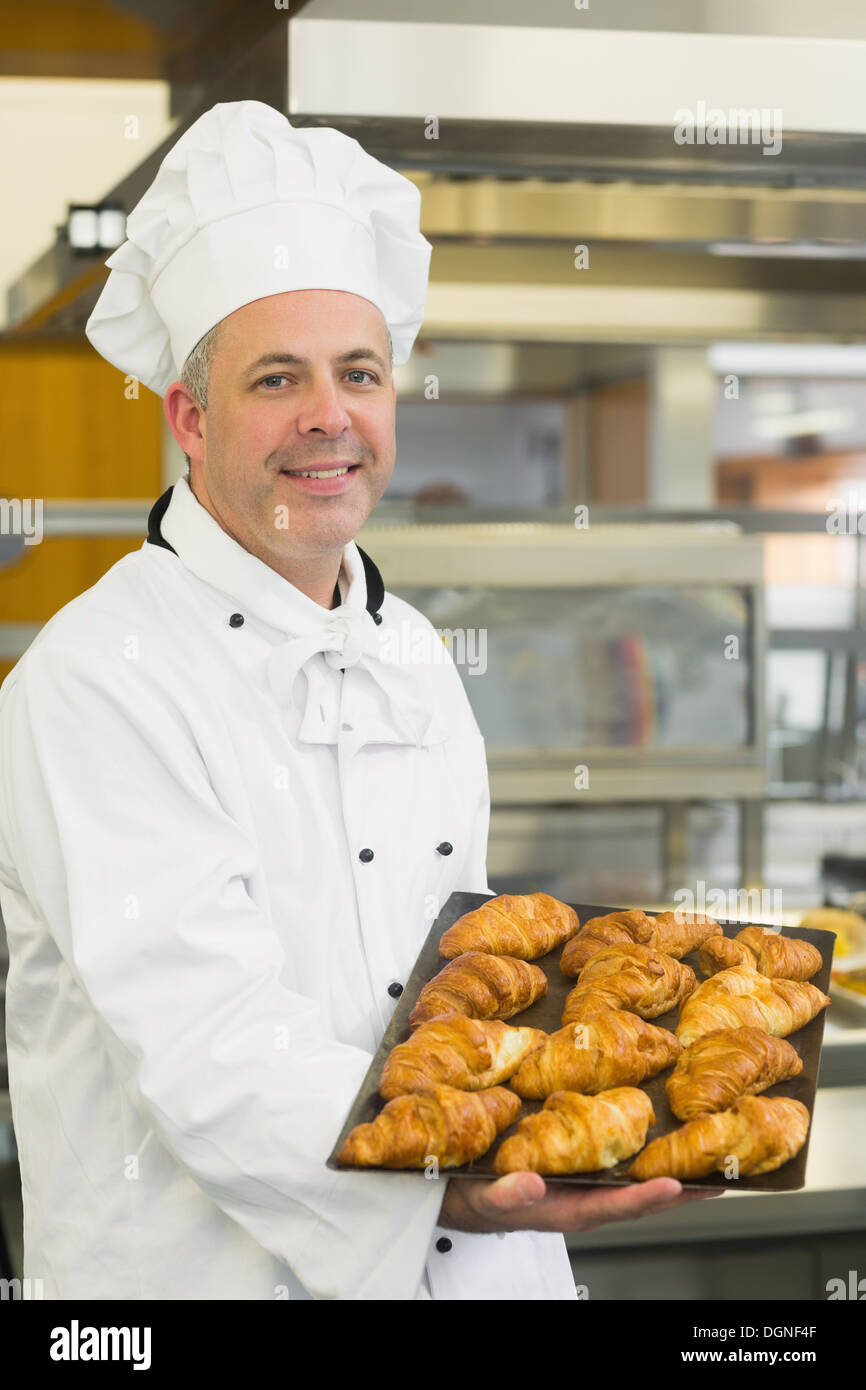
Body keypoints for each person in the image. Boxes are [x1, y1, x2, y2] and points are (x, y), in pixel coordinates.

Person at [0, 101, 713, 1301]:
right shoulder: (95, 679)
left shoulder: (413, 650)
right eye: (276, 379)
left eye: (359, 374)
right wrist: (442, 1179)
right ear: (189, 416)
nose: (328, 416)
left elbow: (454, 962)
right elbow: (208, 1040)